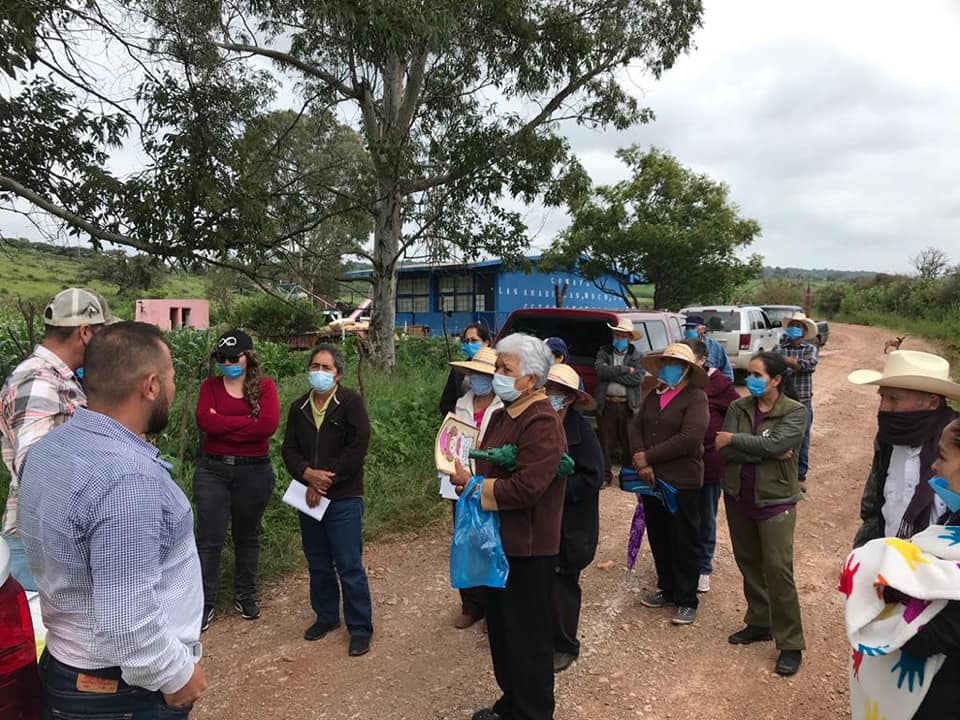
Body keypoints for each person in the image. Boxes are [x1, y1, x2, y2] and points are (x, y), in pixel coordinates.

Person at [17, 321, 206, 718]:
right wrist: (176, 675)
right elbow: (128, 618)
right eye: (170, 379)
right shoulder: (126, 478)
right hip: (120, 689)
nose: (172, 390)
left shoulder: (51, 449)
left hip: (67, 668)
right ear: (150, 385)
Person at [449, 333, 565, 720]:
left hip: (528, 548)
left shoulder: (542, 421)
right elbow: (488, 467)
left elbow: (530, 487)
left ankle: (532, 711)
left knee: (527, 637)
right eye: (498, 366)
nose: (496, 374)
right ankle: (511, 704)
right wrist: (468, 477)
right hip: (498, 541)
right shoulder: (502, 414)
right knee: (502, 633)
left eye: (505, 368)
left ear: (530, 379)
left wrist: (475, 486)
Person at [840, 418, 960, 720]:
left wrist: (888, 603)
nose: (934, 466)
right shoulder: (954, 519)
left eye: (943, 456)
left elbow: (930, 637)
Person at [0, 287, 115, 591]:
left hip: (53, 537)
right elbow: (34, 467)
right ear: (85, 332)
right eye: (102, 332)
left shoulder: (61, 378)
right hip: (41, 542)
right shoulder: (38, 381)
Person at [716, 351, 807, 677]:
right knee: (750, 563)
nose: (750, 379)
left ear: (777, 379)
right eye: (750, 374)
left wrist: (740, 442)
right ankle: (759, 622)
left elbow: (746, 443)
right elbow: (725, 448)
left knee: (778, 570)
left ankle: (791, 643)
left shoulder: (795, 412)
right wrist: (767, 450)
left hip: (776, 501)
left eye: (757, 374)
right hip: (738, 496)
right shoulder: (738, 407)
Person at [281, 343, 373, 656]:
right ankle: (326, 616)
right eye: (315, 366)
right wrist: (307, 474)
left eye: (326, 368)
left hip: (343, 495)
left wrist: (323, 480)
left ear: (338, 374)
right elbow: (288, 450)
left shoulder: (350, 403)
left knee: (348, 564)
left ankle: (360, 628)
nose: (319, 373)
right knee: (318, 561)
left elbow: (357, 447)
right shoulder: (299, 407)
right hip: (308, 495)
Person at [193, 329, 280, 631]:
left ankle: (246, 594)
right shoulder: (210, 386)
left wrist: (224, 424)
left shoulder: (265, 387)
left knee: (248, 535)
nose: (228, 363)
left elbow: (266, 426)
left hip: (253, 470)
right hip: (214, 470)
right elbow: (205, 420)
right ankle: (204, 603)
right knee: (209, 539)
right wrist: (246, 423)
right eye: (222, 358)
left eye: (234, 357)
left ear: (248, 358)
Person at [630, 343, 709, 626]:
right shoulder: (654, 395)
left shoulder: (696, 397)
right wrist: (642, 462)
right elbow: (636, 427)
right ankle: (667, 588)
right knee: (660, 535)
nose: (667, 368)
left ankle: (687, 599)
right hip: (652, 480)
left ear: (687, 369)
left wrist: (648, 456)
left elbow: (691, 437)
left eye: (673, 364)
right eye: (665, 363)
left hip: (682, 480)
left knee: (684, 538)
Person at [849, 350, 960, 547]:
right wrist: (865, 551)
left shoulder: (954, 441)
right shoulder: (888, 439)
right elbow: (873, 505)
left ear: (932, 402)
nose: (883, 407)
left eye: (893, 399)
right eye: (882, 397)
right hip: (890, 559)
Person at [544, 363, 603, 673]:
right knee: (542, 582)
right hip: (541, 521)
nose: (548, 395)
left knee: (563, 584)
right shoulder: (540, 424)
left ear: (568, 398)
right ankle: (545, 638)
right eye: (546, 389)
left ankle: (566, 644)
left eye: (554, 391)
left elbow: (594, 478)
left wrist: (557, 488)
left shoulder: (582, 433)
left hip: (571, 524)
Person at [442, 345, 504, 629]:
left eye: (486, 375)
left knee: (491, 541)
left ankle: (495, 605)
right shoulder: (461, 404)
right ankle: (470, 604)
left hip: (490, 482)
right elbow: (448, 441)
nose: (480, 380)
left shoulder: (503, 407)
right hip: (459, 482)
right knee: (465, 540)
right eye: (475, 374)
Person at [681, 339, 740, 594]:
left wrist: (725, 440)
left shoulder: (721, 386)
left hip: (709, 464)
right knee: (682, 516)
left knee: (705, 517)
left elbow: (740, 416)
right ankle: (682, 563)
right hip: (679, 464)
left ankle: (703, 567)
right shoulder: (677, 385)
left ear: (702, 360)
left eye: (687, 359)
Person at [594, 319, 645, 486]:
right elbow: (600, 371)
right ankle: (605, 476)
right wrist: (623, 370)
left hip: (627, 405)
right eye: (617, 334)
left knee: (629, 443)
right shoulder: (604, 351)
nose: (620, 338)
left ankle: (628, 478)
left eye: (623, 335)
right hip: (607, 404)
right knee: (605, 443)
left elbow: (637, 378)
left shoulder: (637, 355)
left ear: (630, 337)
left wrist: (611, 374)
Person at [774, 313, 819, 484]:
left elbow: (809, 365)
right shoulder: (779, 346)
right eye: (792, 325)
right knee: (779, 435)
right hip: (781, 399)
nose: (795, 329)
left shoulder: (810, 348)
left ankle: (800, 476)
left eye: (798, 326)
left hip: (803, 400)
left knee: (803, 437)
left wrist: (787, 362)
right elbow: (775, 364)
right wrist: (797, 363)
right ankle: (781, 473)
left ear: (804, 331)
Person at [440, 323, 492, 416]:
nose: (469, 344)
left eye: (474, 341)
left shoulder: (498, 370)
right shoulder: (458, 371)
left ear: (486, 343)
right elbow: (446, 403)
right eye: (467, 341)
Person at [682, 315, 734, 381]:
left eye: (692, 327)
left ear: (703, 329)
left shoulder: (715, 347)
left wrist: (725, 386)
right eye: (687, 328)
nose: (689, 330)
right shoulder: (681, 347)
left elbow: (727, 371)